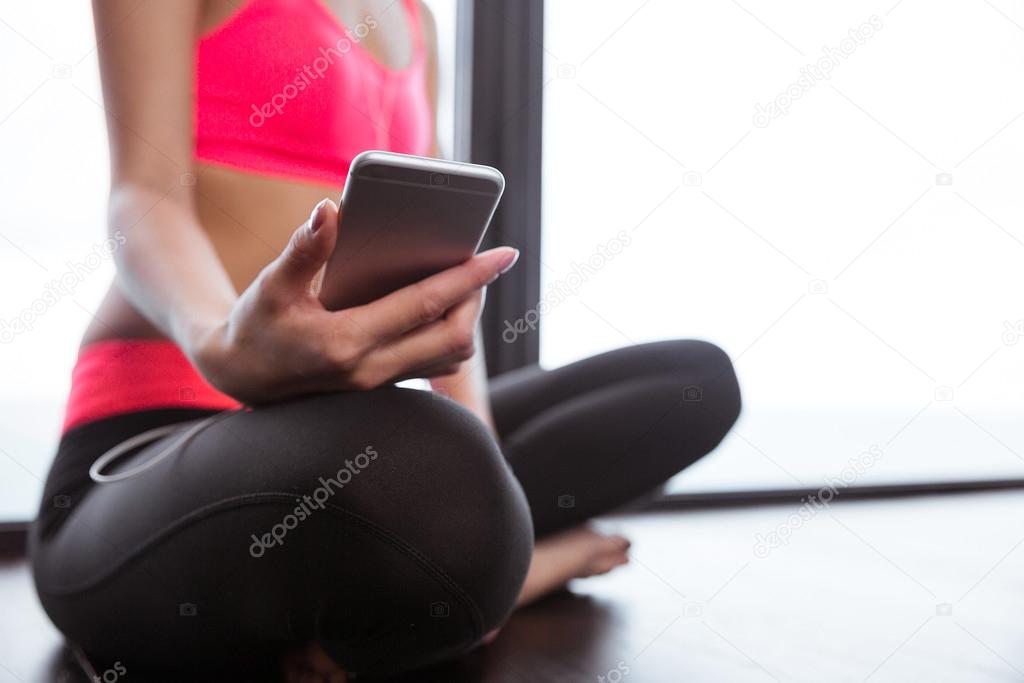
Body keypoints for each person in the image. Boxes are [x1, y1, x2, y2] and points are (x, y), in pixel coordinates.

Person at [28, 1, 742, 679]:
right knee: (435, 476)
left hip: (332, 431)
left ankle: (477, 556)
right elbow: (143, 196)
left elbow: (445, 263)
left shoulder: (414, 20)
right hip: (153, 442)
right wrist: (224, 342)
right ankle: (504, 568)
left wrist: (487, 460)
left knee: (694, 382)